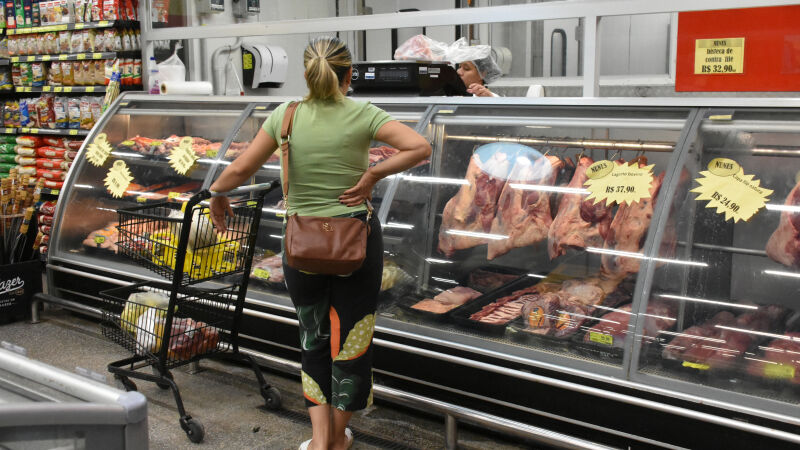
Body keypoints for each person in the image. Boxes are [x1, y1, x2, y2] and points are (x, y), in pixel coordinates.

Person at [208, 36, 431, 450]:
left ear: (307, 76)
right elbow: (420, 146)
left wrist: (217, 193)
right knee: (352, 338)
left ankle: (320, 439)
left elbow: (241, 167)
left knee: (313, 339)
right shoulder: (363, 113)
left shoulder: (286, 116)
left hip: (303, 246)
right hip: (356, 245)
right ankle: (339, 438)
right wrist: (371, 177)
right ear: (348, 75)